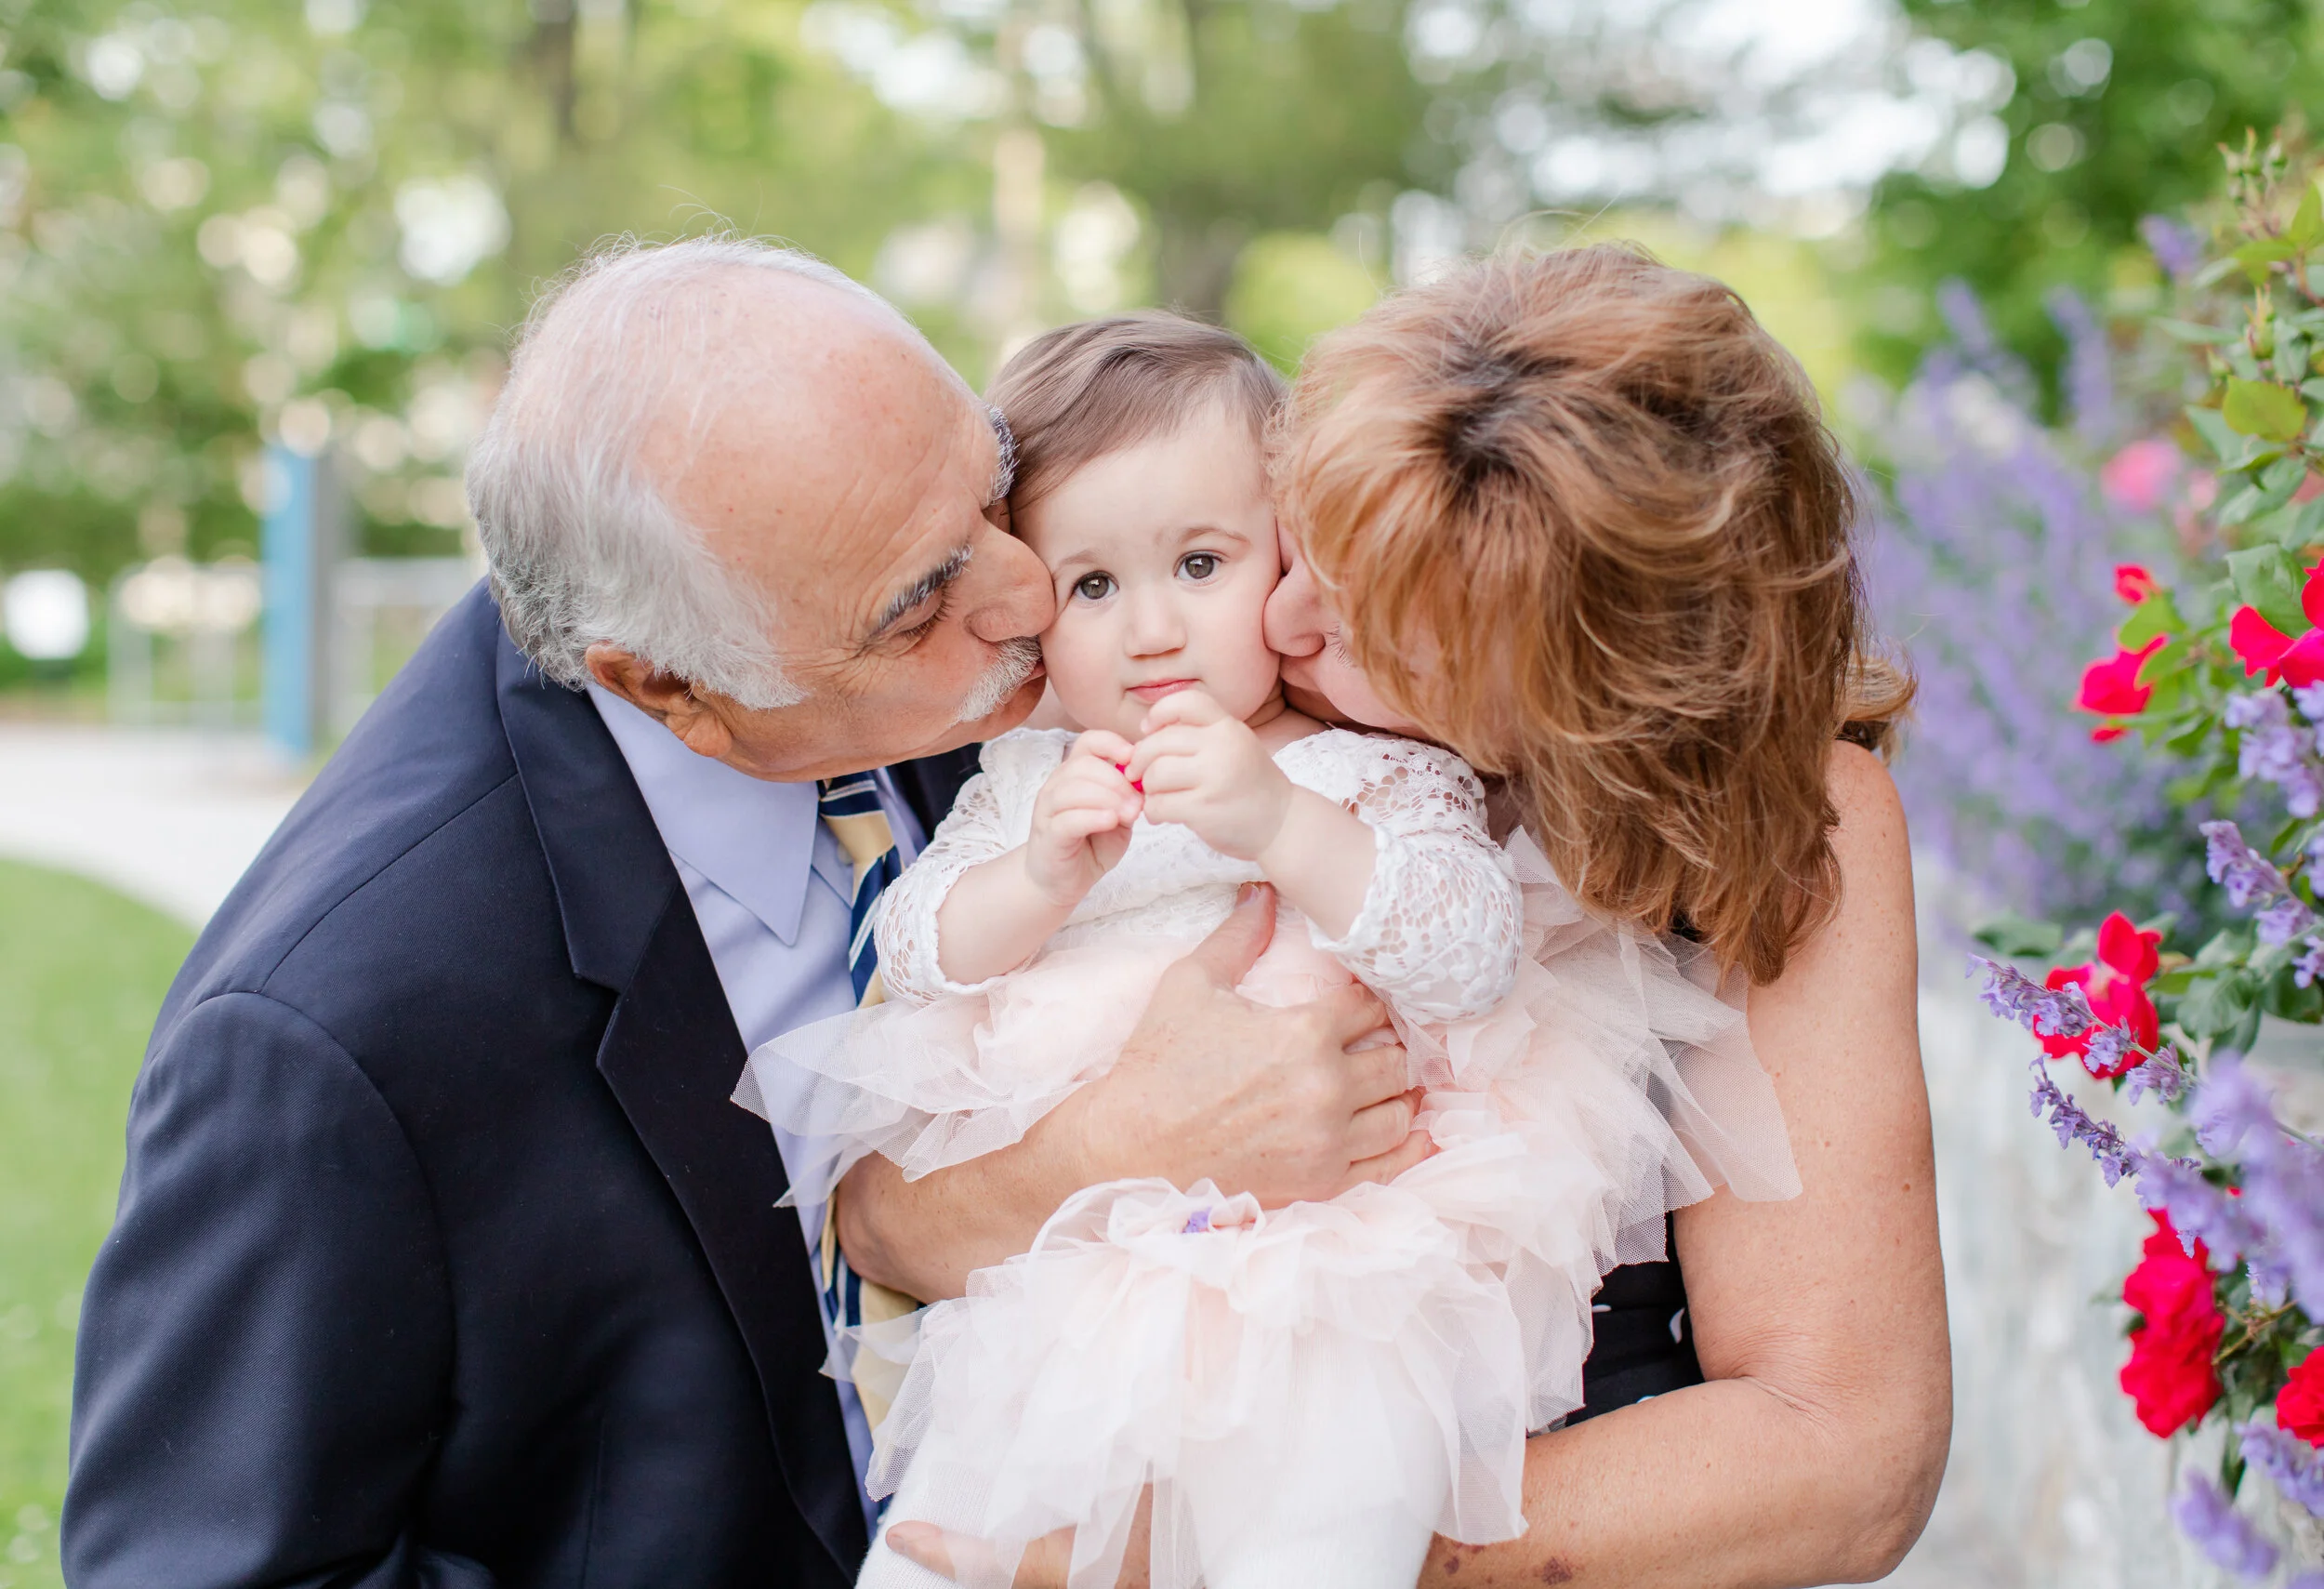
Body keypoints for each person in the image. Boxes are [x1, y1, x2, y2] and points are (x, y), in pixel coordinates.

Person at [59, 239, 1422, 1589]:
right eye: (921, 603)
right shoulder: (333, 1031)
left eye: (993, 490)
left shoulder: (960, 638)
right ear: (667, 687)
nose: (1029, 593)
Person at [847, 247, 1950, 1589]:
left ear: (1559, 696)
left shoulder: (1784, 826)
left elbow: (1845, 1463)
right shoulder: (1119, 745)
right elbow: (881, 1215)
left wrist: (1201, 1541)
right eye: (1303, 537)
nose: (1282, 618)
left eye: (1372, 626)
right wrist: (1127, 1139)